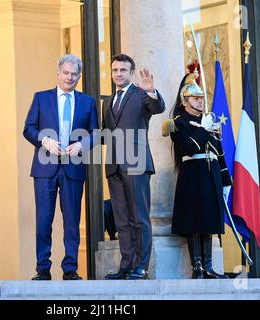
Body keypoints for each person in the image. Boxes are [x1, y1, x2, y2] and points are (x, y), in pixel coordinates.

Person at [23, 54, 98, 281]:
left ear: (79, 77)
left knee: (72, 221)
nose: (69, 77)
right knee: (44, 219)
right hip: (45, 169)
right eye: (65, 73)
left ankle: (70, 269)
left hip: (73, 168)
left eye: (74, 74)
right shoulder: (41, 98)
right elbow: (28, 128)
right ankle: (43, 268)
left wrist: (82, 145)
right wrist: (44, 141)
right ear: (57, 74)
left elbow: (96, 133)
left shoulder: (88, 102)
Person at [102, 54, 165, 280]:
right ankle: (127, 264)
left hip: (137, 163)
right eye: (115, 70)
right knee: (122, 220)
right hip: (114, 166)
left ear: (131, 73)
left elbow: (158, 107)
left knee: (139, 217)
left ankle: (142, 266)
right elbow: (104, 134)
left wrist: (151, 91)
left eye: (122, 70)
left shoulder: (141, 95)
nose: (118, 74)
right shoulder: (107, 102)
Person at [169, 66, 230, 279]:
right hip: (192, 175)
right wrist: (204, 129)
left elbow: (219, 153)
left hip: (210, 174)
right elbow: (189, 147)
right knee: (195, 221)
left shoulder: (208, 121)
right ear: (184, 101)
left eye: (201, 98)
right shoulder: (178, 123)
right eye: (195, 98)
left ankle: (209, 266)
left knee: (209, 221)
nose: (200, 101)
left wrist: (225, 180)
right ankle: (198, 268)